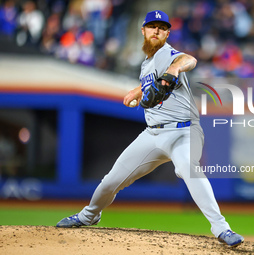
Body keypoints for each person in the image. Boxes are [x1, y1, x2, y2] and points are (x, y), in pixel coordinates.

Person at [56, 10, 244, 248]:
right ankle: (88, 216)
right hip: (153, 134)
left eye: (162, 27)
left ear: (167, 33)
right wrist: (138, 90)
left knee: (189, 168)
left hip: (184, 132)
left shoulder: (167, 54)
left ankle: (222, 229)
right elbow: (153, 83)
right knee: (110, 182)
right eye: (152, 26)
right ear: (143, 30)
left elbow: (189, 60)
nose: (156, 30)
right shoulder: (146, 64)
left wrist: (175, 69)